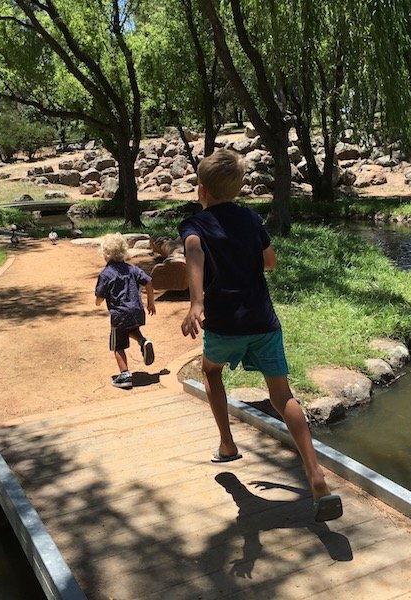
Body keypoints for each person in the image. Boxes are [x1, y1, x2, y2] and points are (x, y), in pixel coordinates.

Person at [179, 149, 343, 522]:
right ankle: (315, 473)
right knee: (282, 393)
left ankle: (226, 443)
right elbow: (270, 262)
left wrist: (196, 301)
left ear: (201, 190)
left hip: (224, 324)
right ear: (238, 189)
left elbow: (192, 249)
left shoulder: (196, 225)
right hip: (262, 320)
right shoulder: (251, 218)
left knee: (211, 371)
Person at [95, 233, 156, 390]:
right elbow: (148, 282)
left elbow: (100, 296)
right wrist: (151, 303)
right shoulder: (132, 269)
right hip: (136, 311)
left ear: (106, 254)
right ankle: (143, 341)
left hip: (120, 314)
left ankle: (125, 375)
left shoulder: (106, 273)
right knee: (131, 329)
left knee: (118, 345)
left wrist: (98, 301)